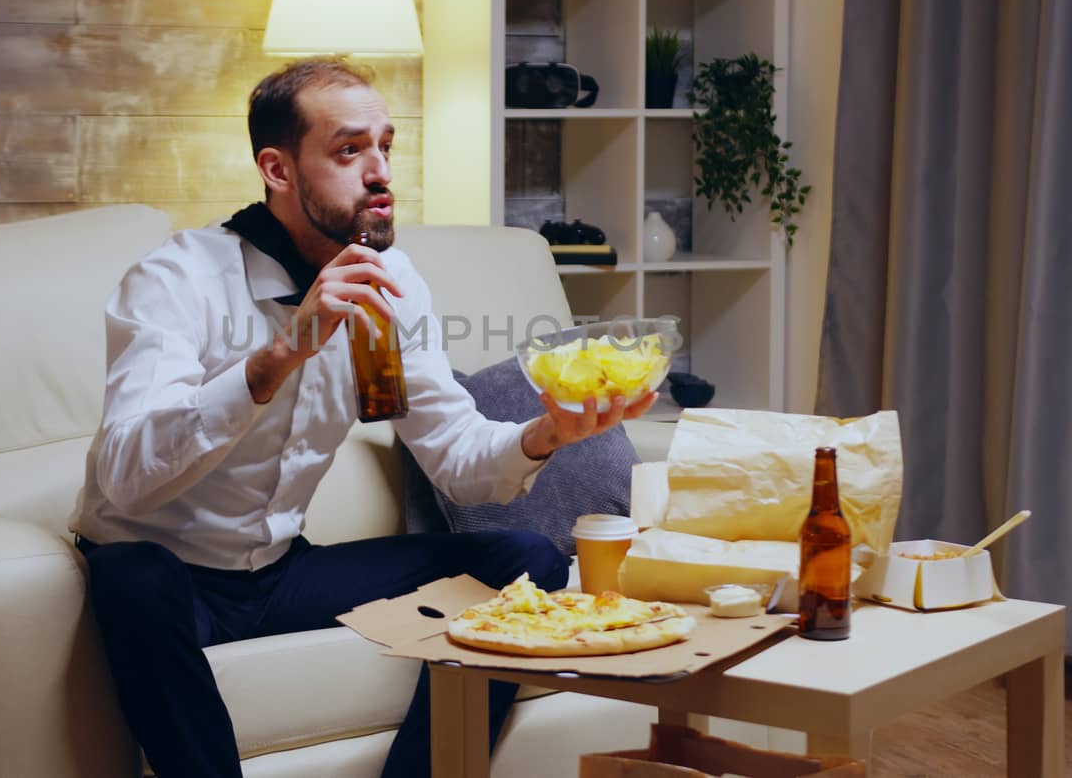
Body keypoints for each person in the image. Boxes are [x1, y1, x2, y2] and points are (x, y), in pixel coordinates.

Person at [68, 57, 656, 777]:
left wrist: (547, 435)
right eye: (349, 150)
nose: (378, 171)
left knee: (523, 559)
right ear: (278, 170)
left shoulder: (390, 282)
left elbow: (456, 456)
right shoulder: (176, 279)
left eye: (385, 146)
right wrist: (283, 353)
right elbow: (126, 477)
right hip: (167, 578)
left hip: (278, 574)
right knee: (133, 576)